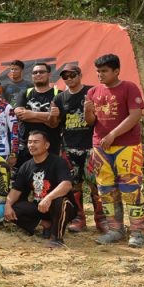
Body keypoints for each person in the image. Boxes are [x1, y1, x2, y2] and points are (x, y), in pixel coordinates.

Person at [86, 53, 144, 247]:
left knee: (130, 188)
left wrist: (113, 134)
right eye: (98, 71)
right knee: (105, 189)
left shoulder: (129, 87)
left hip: (127, 146)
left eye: (104, 71)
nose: (100, 74)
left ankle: (138, 232)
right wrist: (87, 110)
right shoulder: (93, 92)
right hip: (100, 146)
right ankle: (115, 230)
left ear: (116, 71)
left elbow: (135, 115)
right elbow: (91, 121)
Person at [52, 64, 102, 233]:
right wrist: (53, 116)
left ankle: (101, 219)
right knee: (74, 185)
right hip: (69, 147)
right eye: (65, 76)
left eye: (72, 75)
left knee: (96, 184)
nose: (69, 79)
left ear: (80, 75)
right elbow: (54, 124)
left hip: (91, 146)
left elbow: (100, 117)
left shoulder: (92, 92)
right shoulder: (59, 98)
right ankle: (79, 218)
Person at [5, 131, 77, 248]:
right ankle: (46, 225)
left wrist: (48, 198)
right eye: (29, 142)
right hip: (40, 207)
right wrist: (8, 205)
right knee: (13, 208)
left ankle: (57, 238)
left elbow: (67, 184)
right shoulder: (26, 166)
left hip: (61, 208)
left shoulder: (58, 162)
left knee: (60, 202)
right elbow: (16, 190)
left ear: (46, 145)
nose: (31, 145)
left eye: (36, 142)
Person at [13, 63, 61, 169]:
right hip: (27, 147)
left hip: (50, 146)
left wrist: (32, 114)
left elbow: (55, 122)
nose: (38, 74)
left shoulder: (59, 94)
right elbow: (21, 114)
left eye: (42, 72)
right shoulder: (25, 93)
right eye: (35, 72)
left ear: (49, 74)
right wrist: (47, 117)